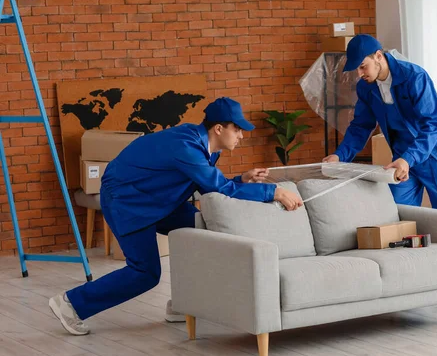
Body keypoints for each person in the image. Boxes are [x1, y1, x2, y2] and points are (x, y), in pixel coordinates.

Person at [49, 97, 303, 335]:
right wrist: (274, 191)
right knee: (144, 273)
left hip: (158, 199)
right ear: (218, 128)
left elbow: (208, 185)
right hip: (128, 202)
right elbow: (218, 187)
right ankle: (71, 304)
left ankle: (183, 304)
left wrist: (242, 179)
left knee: (203, 230)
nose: (241, 135)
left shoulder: (207, 147)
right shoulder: (186, 146)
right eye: (237, 129)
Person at [323, 34, 437, 213]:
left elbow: (432, 124)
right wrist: (340, 156)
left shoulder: (415, 77)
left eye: (363, 67)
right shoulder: (366, 87)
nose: (360, 74)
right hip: (401, 155)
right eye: (357, 70)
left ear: (378, 56)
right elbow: (361, 125)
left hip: (435, 152)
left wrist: (409, 159)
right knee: (397, 212)